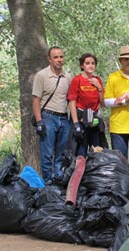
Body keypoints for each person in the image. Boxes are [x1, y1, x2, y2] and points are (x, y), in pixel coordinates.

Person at [32, 46, 72, 182]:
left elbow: (71, 99)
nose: (59, 60)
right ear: (50, 59)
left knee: (61, 153)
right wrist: (39, 122)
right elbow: (36, 100)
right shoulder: (41, 76)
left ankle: (58, 179)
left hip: (64, 117)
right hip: (48, 117)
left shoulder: (67, 77)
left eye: (61, 57)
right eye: (56, 57)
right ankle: (48, 182)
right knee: (47, 153)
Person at [68, 53, 108, 157]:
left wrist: (99, 88)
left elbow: (103, 103)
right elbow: (72, 102)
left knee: (97, 151)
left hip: (94, 120)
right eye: (87, 63)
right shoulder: (77, 80)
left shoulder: (97, 80)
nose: (90, 66)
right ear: (82, 66)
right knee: (81, 152)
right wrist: (75, 123)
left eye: (93, 63)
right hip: (81, 119)